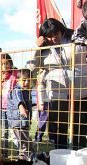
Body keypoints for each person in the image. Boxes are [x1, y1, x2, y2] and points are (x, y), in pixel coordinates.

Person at [35, 18, 74, 149]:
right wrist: (37, 48)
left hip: (78, 89)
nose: (54, 38)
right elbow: (33, 67)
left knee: (79, 125)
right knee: (60, 127)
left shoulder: (72, 39)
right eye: (49, 36)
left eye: (56, 34)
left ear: (61, 30)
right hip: (57, 93)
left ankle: (79, 153)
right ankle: (60, 153)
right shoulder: (43, 50)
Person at [0, 53, 18, 158]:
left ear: (11, 63)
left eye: (7, 63)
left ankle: (21, 152)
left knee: (16, 130)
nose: (5, 66)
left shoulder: (14, 75)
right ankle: (4, 153)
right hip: (1, 108)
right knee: (3, 132)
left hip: (13, 108)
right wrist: (0, 81)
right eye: (2, 64)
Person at [7, 69, 33, 160]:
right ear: (18, 80)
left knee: (25, 143)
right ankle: (23, 161)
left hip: (23, 123)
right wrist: (21, 107)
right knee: (24, 145)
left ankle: (23, 159)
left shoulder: (27, 91)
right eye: (24, 80)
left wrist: (29, 120)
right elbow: (19, 100)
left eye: (29, 80)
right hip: (18, 123)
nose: (27, 82)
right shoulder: (17, 90)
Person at [71, 3, 87, 150]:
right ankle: (80, 148)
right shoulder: (83, 25)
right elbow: (75, 37)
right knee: (80, 121)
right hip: (83, 85)